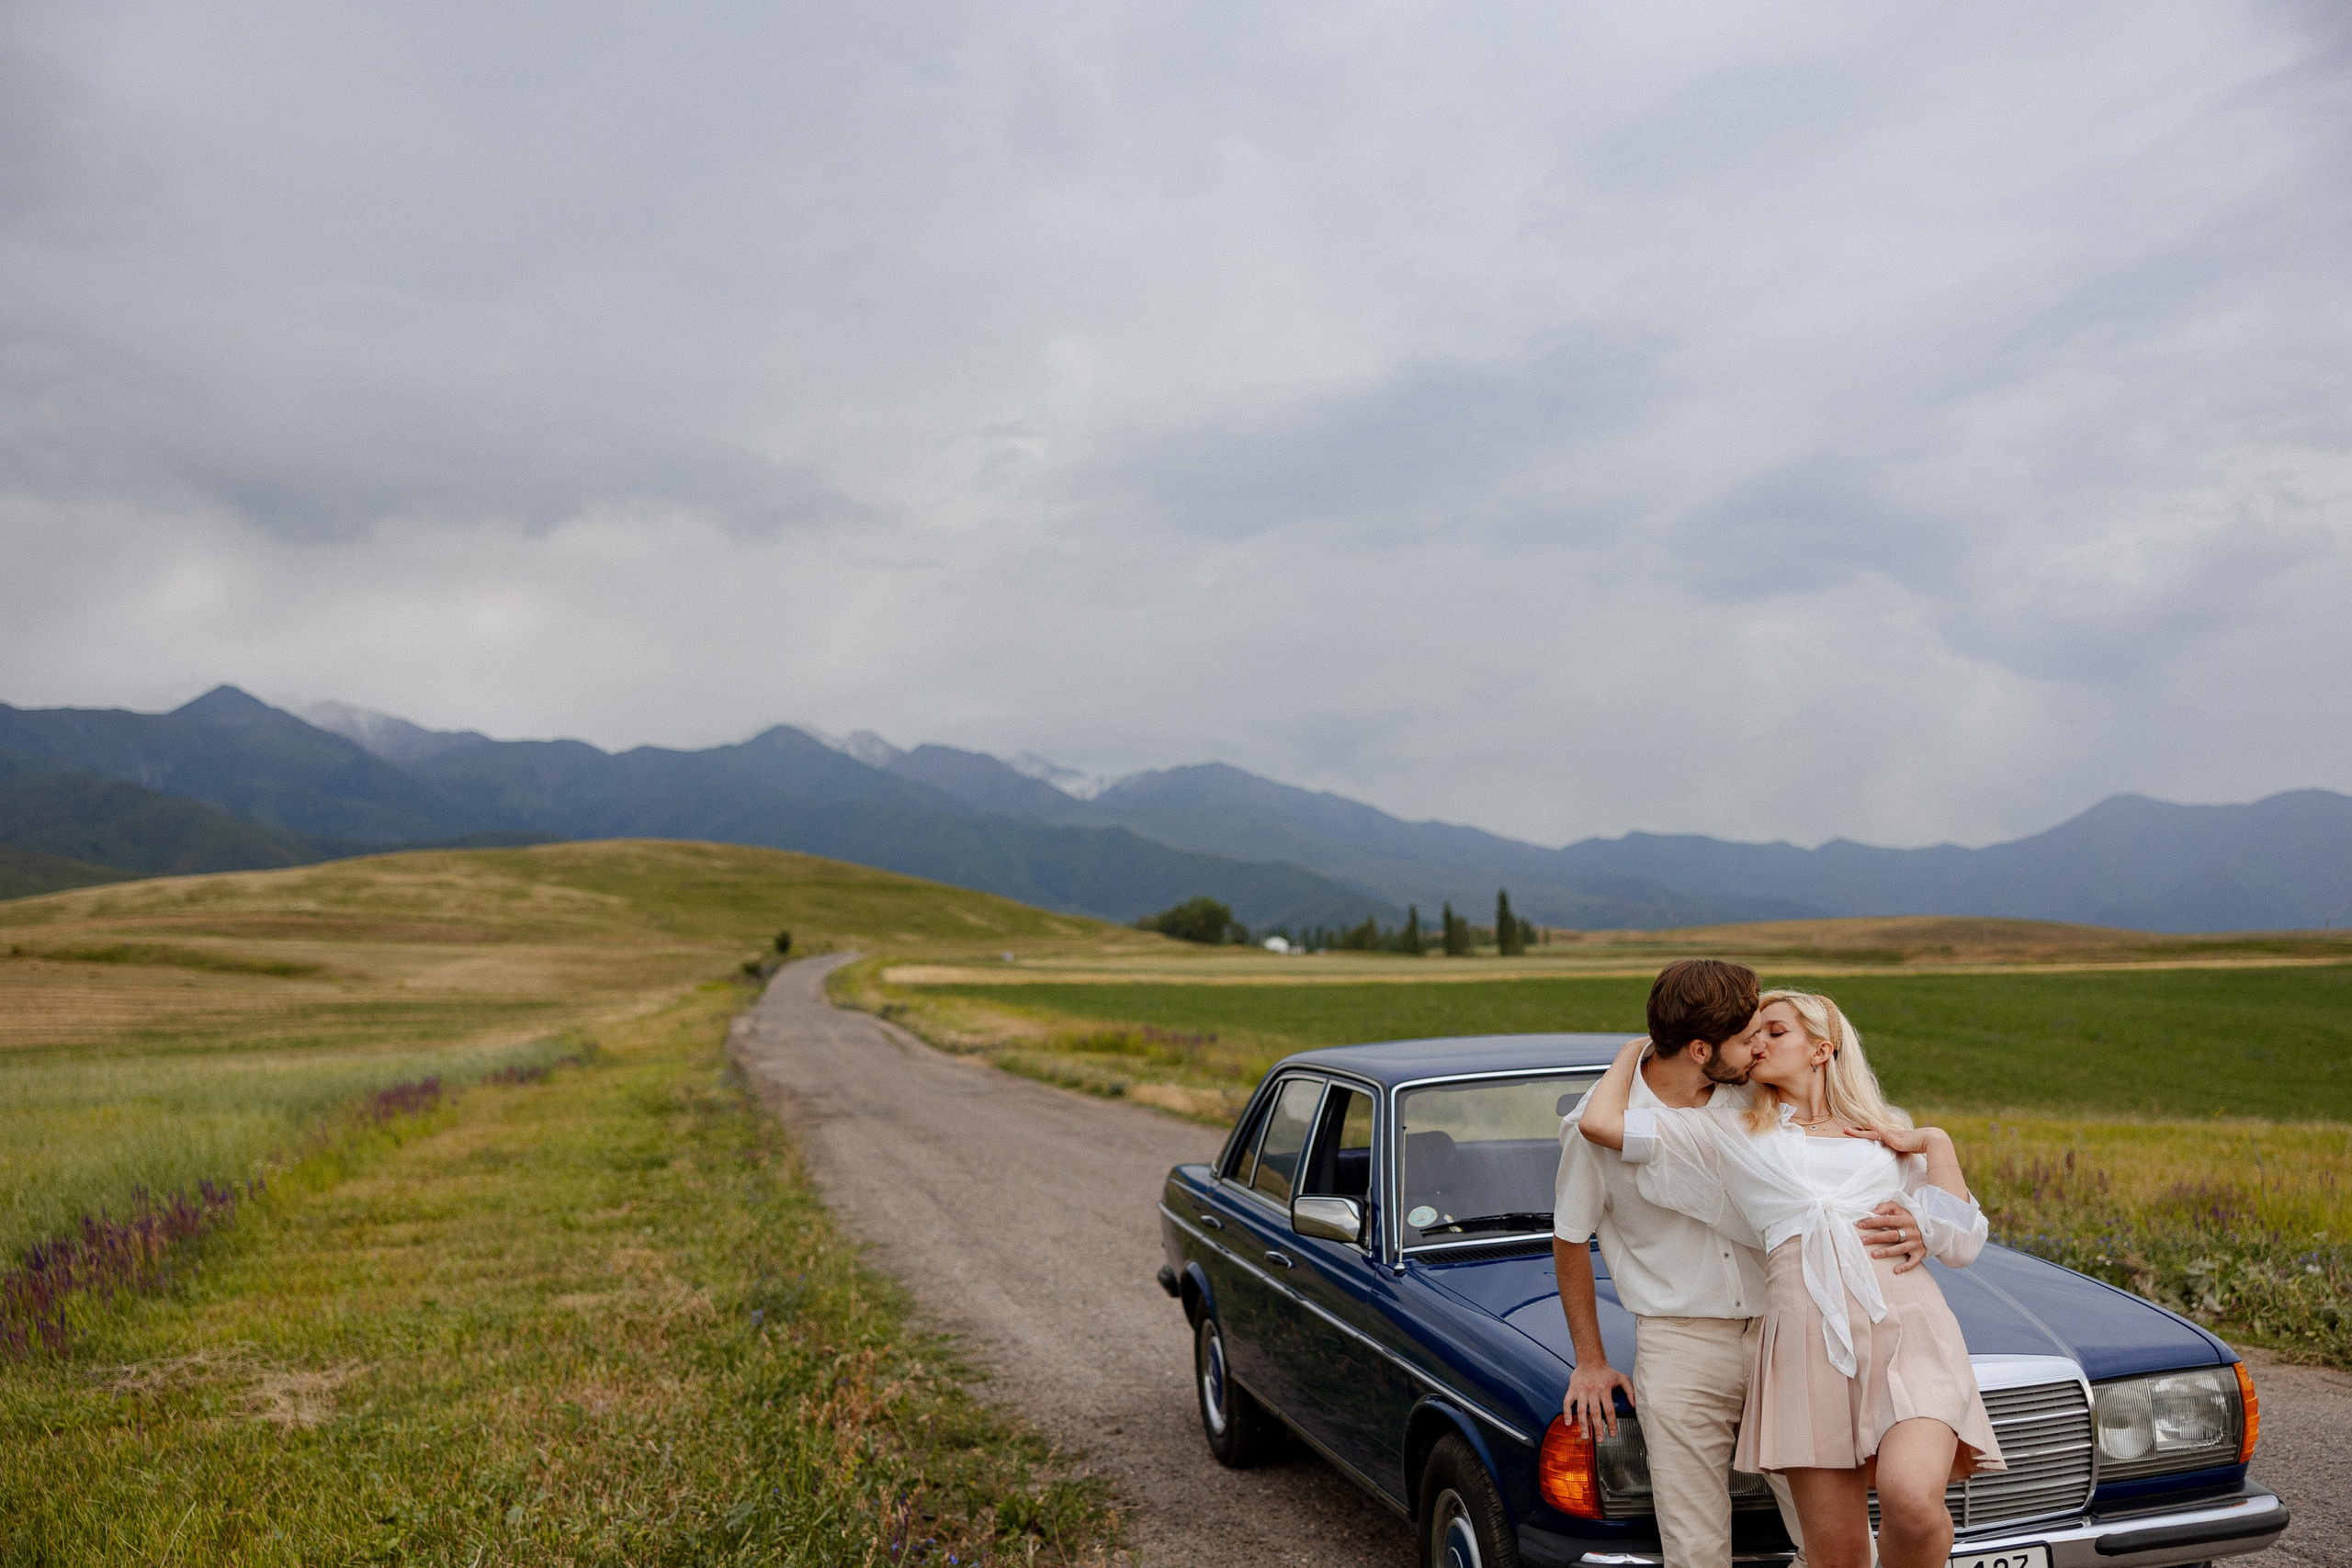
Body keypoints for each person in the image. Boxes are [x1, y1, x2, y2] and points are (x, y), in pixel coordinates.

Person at [1578, 989, 2001, 1568]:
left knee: (1914, 1505)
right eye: (1751, 1036)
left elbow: (1962, 1244)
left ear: (1821, 1049)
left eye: (1774, 1033)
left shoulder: (1889, 1134)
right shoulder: (1730, 1133)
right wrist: (1638, 1048)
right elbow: (1601, 1125)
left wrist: (1934, 1142)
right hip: (1805, 1344)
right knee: (1838, 1554)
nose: (1758, 1045)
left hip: (1908, 1331)